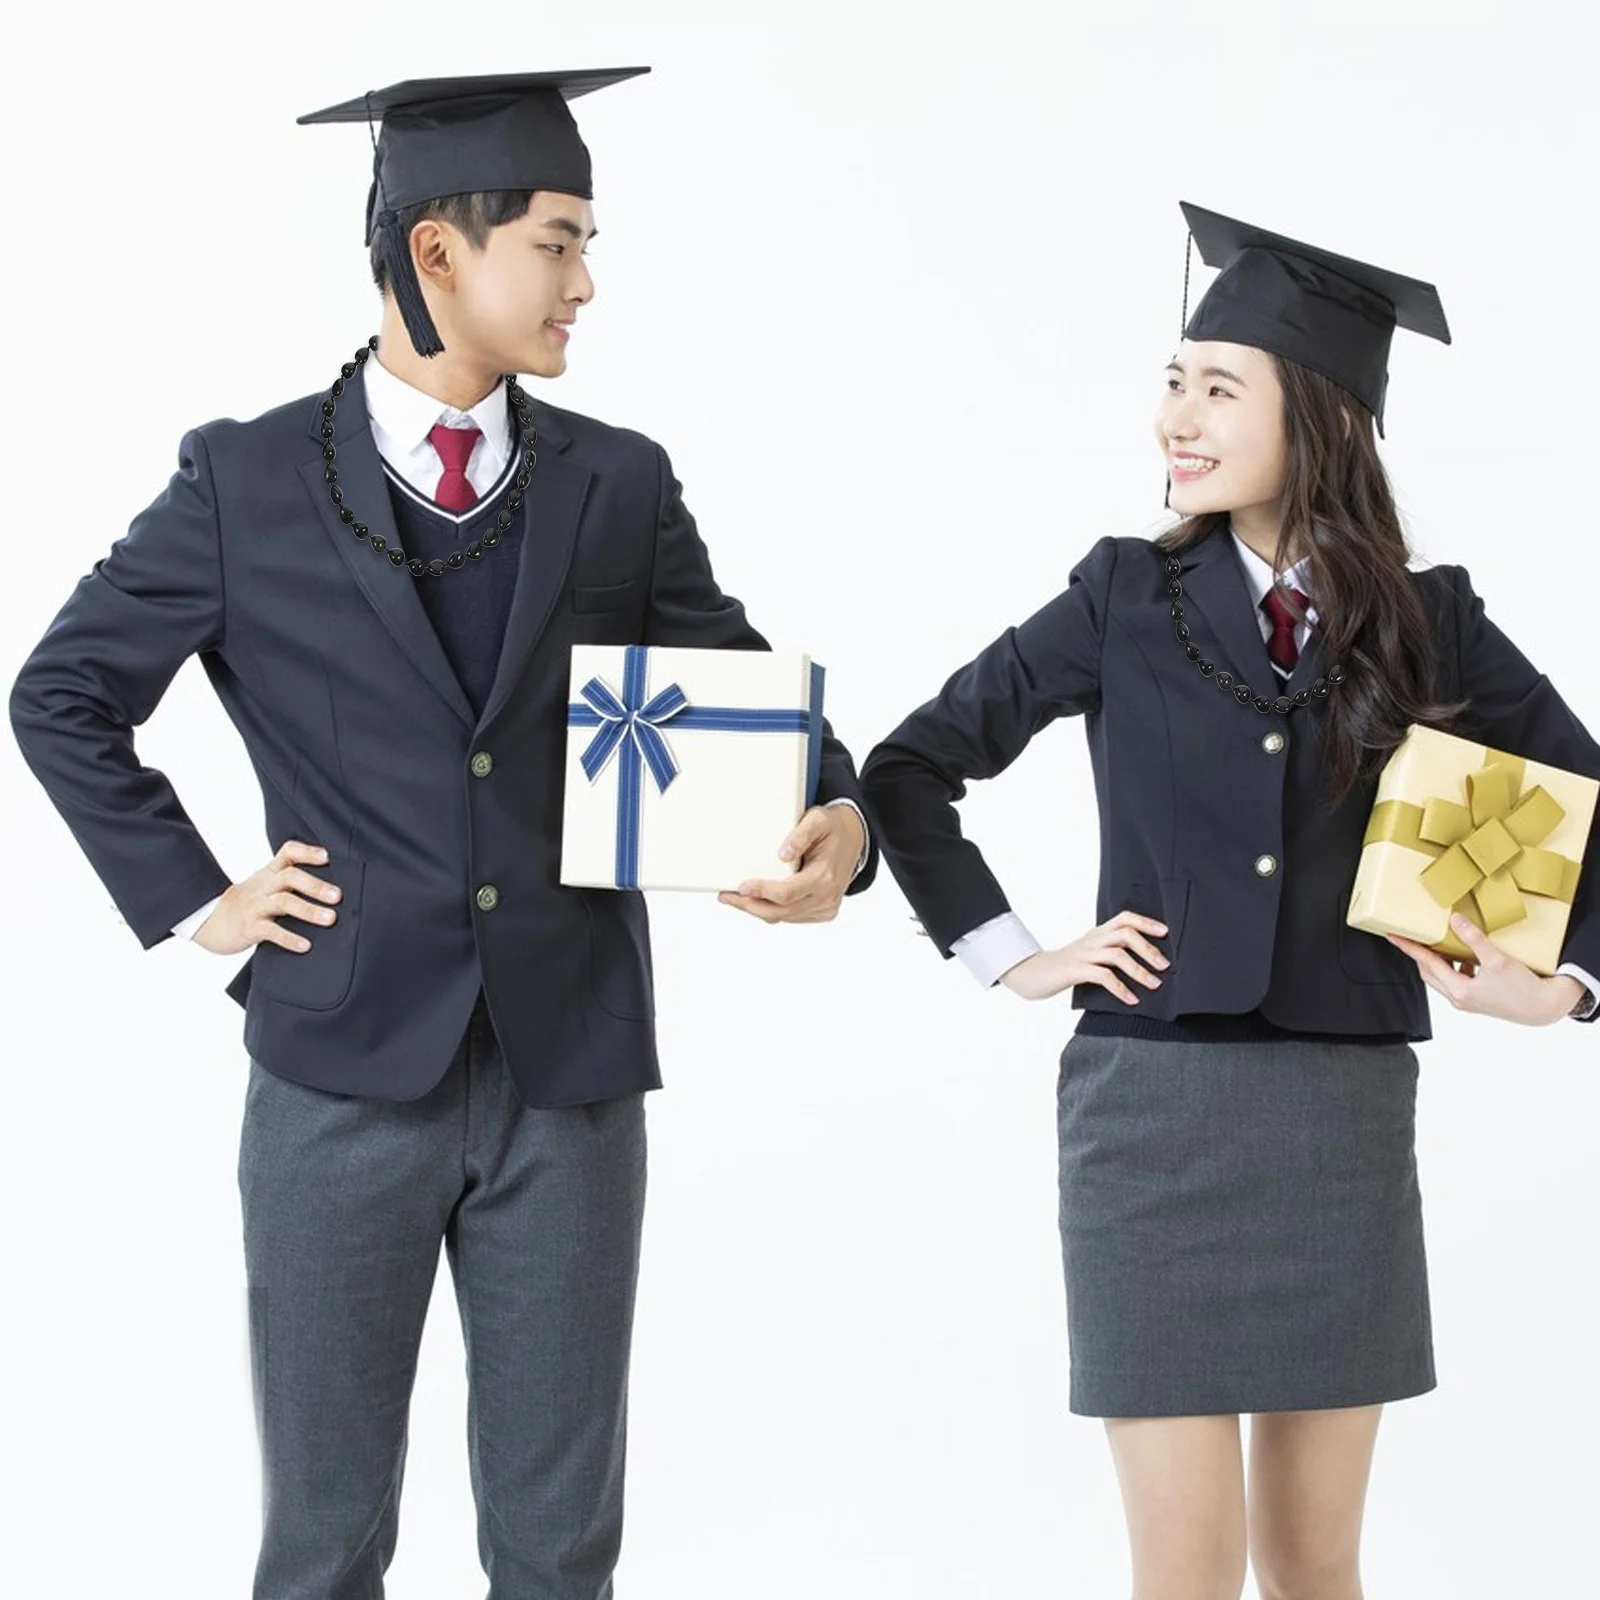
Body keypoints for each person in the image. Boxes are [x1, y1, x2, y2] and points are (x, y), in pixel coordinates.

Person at [9, 68, 874, 1600]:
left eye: (586, 240)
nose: (586, 281)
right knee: (326, 1541)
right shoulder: (246, 482)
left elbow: (752, 693)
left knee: (557, 1550)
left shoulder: (617, 482)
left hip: (572, 1078)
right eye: (557, 240)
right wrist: (198, 897)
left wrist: (845, 822)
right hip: (337, 1073)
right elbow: (63, 693)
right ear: (434, 254)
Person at [859, 201, 1599, 1600]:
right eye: (1172, 382)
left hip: (1342, 1116)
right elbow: (911, 767)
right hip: (1152, 1113)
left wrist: (1563, 986)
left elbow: (1591, 800)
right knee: (1186, 1574)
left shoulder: (1430, 617)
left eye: (1216, 387)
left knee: (1318, 1568)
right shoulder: (1124, 595)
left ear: (1316, 416)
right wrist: (1015, 954)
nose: (1174, 420)